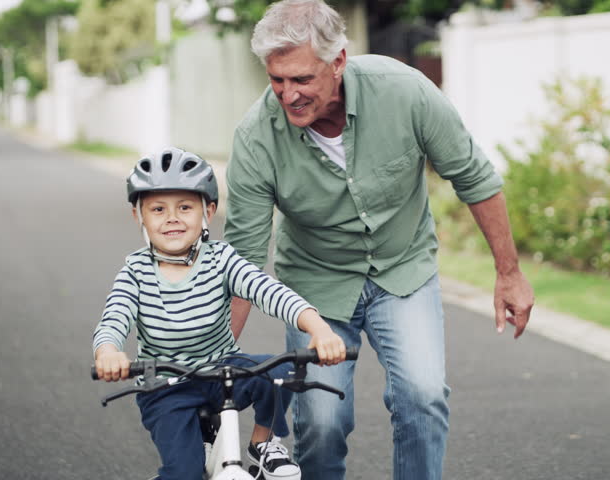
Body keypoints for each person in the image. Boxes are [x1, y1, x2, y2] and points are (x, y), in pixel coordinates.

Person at [223, 1, 536, 478]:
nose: (288, 96)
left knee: (423, 395)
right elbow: (243, 255)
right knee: (323, 423)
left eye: (302, 79)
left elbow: (474, 177)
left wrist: (508, 273)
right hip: (315, 283)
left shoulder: (405, 92)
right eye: (277, 80)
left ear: (339, 61)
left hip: (402, 269)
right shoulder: (255, 138)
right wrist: (215, 349)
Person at [92, 146, 347, 480]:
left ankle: (264, 443)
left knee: (279, 370)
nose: (172, 217)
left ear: (208, 212)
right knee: (183, 473)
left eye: (185, 207)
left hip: (222, 370)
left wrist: (319, 329)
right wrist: (108, 352)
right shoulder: (135, 272)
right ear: (139, 216)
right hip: (167, 386)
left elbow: (268, 291)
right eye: (157, 209)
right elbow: (114, 319)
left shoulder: (221, 259)